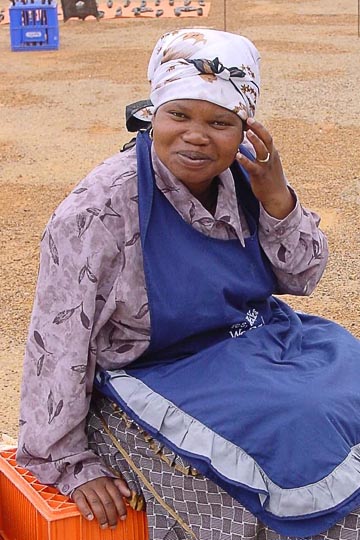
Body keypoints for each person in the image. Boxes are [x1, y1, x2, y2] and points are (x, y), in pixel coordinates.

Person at [16, 27, 360, 540]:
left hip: (254, 339)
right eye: (179, 115)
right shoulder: (100, 211)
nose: (197, 135)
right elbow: (58, 338)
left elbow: (303, 275)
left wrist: (278, 199)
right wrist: (68, 458)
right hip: (156, 368)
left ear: (245, 128)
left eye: (220, 122)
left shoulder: (249, 179)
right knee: (291, 430)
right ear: (153, 115)